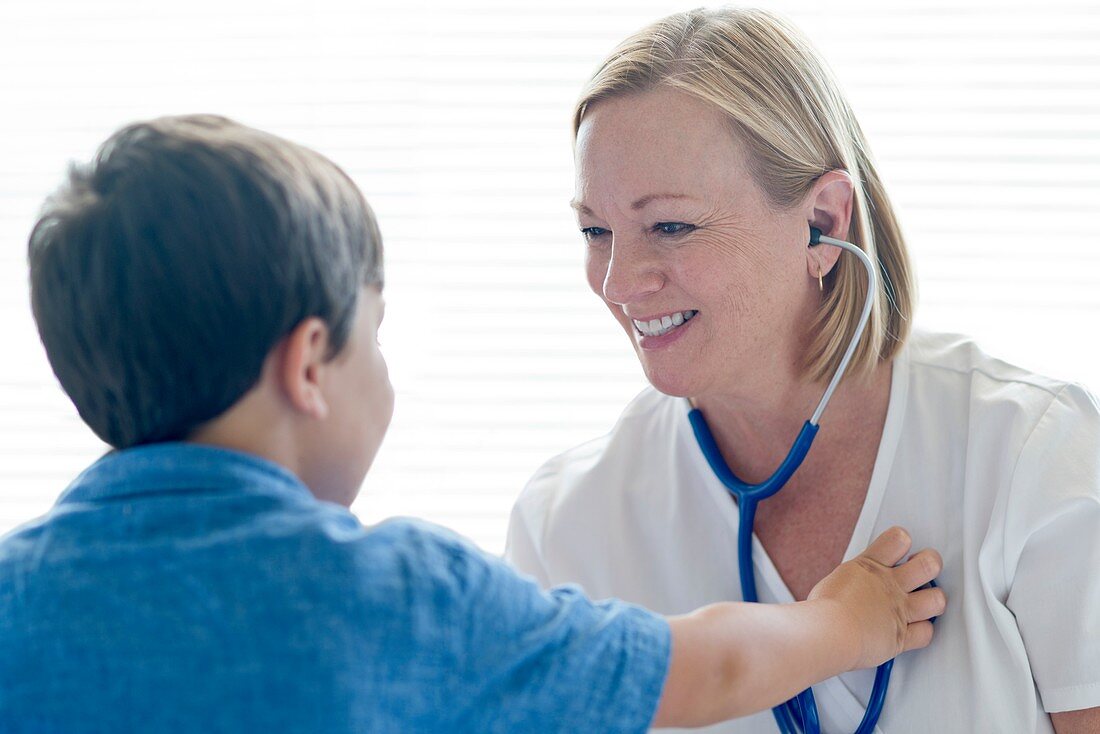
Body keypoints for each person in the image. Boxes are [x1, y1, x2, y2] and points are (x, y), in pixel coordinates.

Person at [0, 115, 942, 733]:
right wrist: (840, 625)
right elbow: (704, 670)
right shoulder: (400, 597)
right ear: (307, 365)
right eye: (376, 335)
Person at [505, 8, 1100, 734]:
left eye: (671, 226)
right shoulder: (567, 526)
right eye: (595, 231)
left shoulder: (1031, 457)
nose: (620, 282)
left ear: (822, 221)